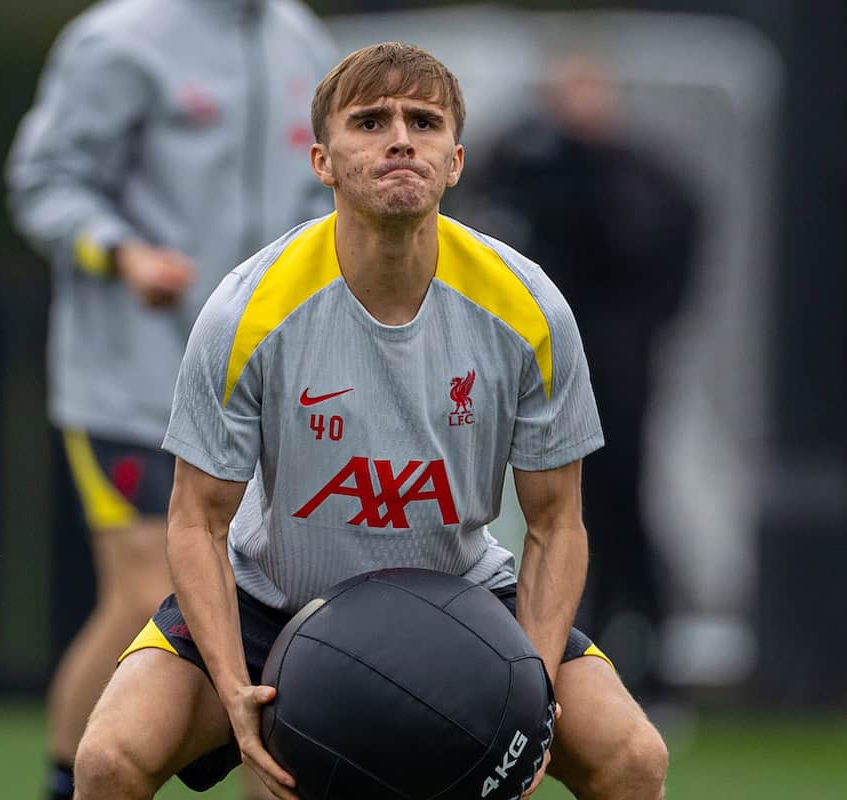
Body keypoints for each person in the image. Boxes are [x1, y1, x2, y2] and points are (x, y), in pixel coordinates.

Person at [73, 42, 669, 800]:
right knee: (108, 762)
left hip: (460, 602)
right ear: (322, 160)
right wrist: (231, 687)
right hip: (269, 603)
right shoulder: (244, 311)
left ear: (455, 159)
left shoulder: (530, 309)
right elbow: (197, 523)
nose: (400, 138)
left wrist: (534, 691)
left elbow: (556, 526)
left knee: (634, 759)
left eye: (424, 121)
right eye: (370, 121)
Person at [4, 2, 335, 798]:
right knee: (151, 597)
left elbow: (326, 195)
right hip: (131, 385)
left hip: (264, 390)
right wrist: (120, 253)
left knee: (289, 616)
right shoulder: (119, 39)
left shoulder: (304, 41)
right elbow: (42, 182)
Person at [467, 57, 699, 697]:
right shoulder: (524, 162)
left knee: (615, 508)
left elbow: (662, 250)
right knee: (540, 505)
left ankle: (643, 654)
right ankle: (560, 641)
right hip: (534, 366)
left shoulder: (640, 178)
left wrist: (648, 330)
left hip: (615, 373)